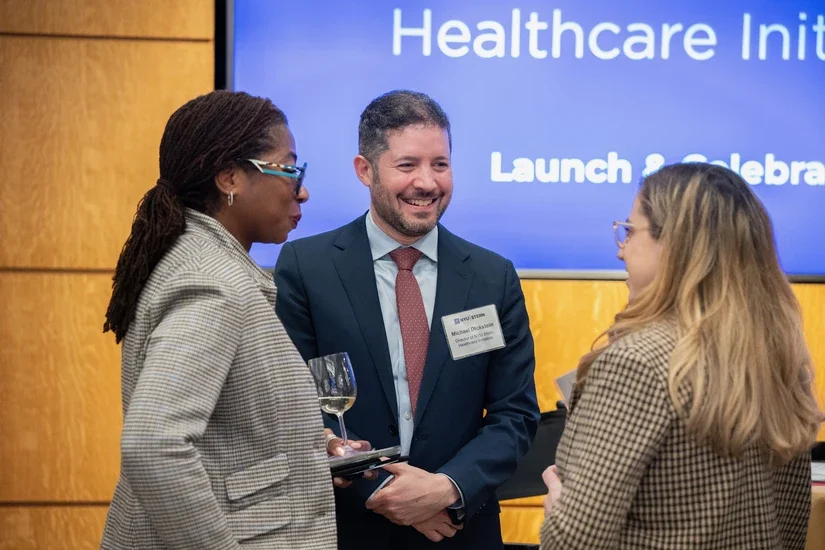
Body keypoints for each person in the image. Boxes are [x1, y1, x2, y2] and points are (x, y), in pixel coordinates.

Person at [274, 89, 540, 549]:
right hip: (347, 529)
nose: (427, 182)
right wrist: (386, 492)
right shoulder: (306, 267)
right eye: (407, 165)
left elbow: (514, 414)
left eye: (440, 164)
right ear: (365, 170)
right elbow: (292, 404)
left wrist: (446, 489)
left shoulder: (491, 276)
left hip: (459, 527)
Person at [100, 90, 344, 549]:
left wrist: (312, 451)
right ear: (231, 177)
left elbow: (226, 436)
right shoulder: (212, 282)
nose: (303, 189)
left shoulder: (199, 260)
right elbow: (153, 444)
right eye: (290, 168)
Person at [540, 162, 822, 549]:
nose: (621, 251)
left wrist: (558, 513)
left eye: (630, 231)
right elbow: (791, 526)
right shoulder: (781, 361)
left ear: (673, 245)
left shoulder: (635, 363)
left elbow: (575, 541)